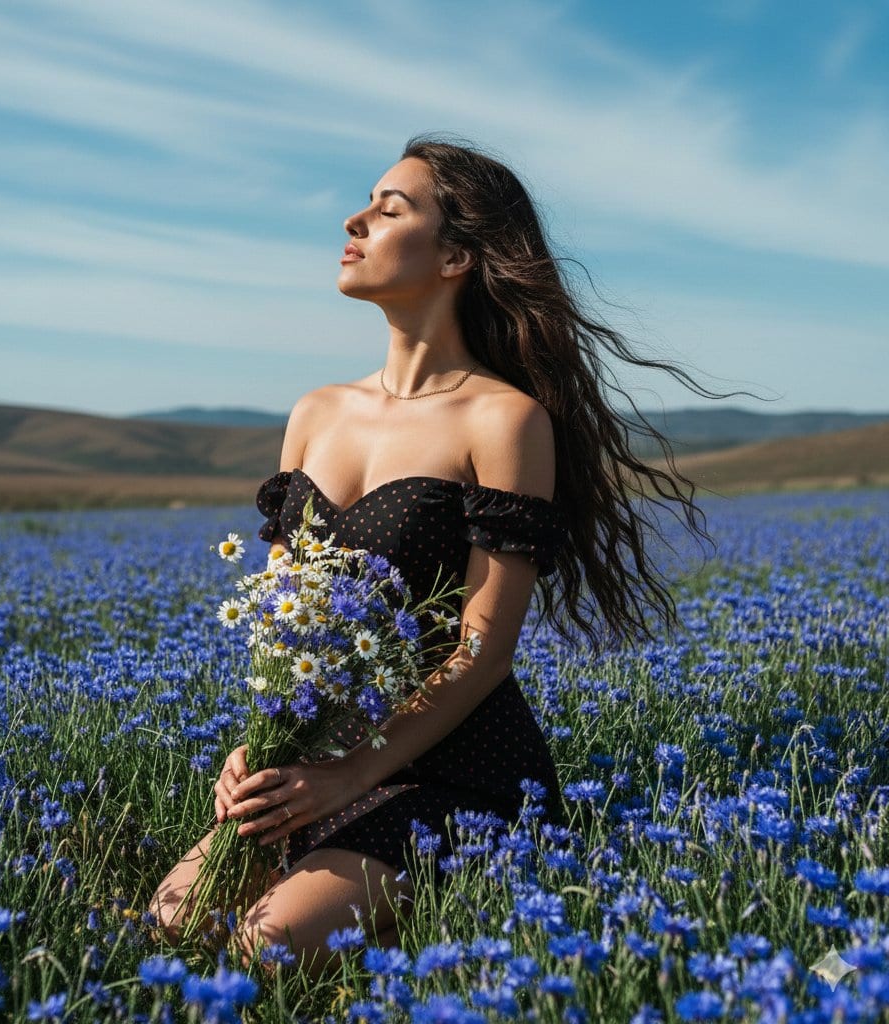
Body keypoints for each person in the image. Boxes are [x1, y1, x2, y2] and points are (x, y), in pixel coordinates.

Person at [150, 134, 710, 978]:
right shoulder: (314, 413)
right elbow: (280, 629)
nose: (355, 218)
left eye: (390, 208)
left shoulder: (505, 420)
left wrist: (355, 775)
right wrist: (260, 749)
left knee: (257, 954)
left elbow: (483, 651)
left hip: (451, 776)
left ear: (454, 255)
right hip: (313, 762)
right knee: (165, 930)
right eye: (367, 203)